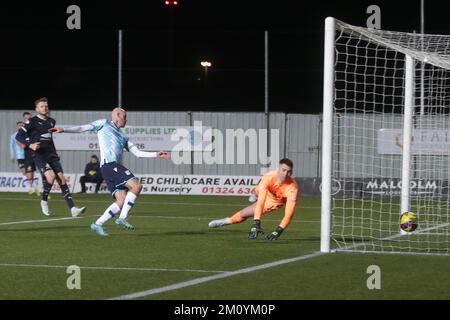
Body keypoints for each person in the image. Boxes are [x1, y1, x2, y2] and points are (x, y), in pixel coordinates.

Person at [50, 107, 171, 236]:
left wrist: (156, 154)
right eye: (125, 117)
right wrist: (64, 129)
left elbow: (138, 153)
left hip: (108, 169)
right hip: (109, 165)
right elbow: (83, 128)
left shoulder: (124, 137)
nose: (126, 119)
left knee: (121, 200)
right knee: (137, 186)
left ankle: (97, 224)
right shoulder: (103, 123)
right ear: (117, 115)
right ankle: (123, 218)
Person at [16, 97, 86, 217]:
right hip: (38, 154)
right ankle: (44, 201)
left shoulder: (52, 121)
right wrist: (30, 144)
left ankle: (73, 208)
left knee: (62, 179)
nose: (45, 108)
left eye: (46, 106)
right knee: (51, 176)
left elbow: (49, 138)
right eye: (42, 106)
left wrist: (54, 152)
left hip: (51, 154)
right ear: (37, 109)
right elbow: (19, 136)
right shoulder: (31, 121)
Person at [208, 158, 299, 240]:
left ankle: (225, 221)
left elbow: (289, 214)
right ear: (278, 169)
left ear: (292, 172)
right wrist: (256, 223)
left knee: (244, 214)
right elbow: (261, 201)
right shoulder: (269, 177)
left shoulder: (292, 188)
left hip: (273, 201)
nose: (285, 174)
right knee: (258, 189)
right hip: (264, 195)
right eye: (283, 170)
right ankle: (255, 194)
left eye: (289, 171)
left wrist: (279, 230)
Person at [21, 112, 41, 195]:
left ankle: (35, 187)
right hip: (28, 152)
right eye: (26, 118)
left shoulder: (34, 127)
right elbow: (20, 140)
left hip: (37, 151)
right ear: (23, 119)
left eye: (29, 118)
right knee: (29, 171)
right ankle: (31, 188)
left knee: (36, 171)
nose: (28, 120)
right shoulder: (23, 129)